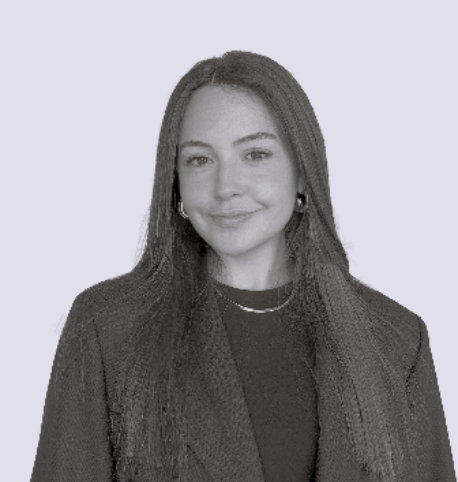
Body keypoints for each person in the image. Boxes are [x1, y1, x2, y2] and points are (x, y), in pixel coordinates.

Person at [31, 51, 456, 482]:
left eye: (255, 154)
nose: (226, 187)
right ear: (176, 183)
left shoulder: (396, 342)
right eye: (200, 159)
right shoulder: (109, 331)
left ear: (302, 173)